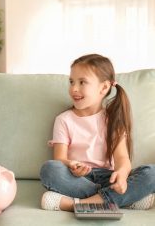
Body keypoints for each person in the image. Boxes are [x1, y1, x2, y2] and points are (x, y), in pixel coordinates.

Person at [40, 54, 155, 211]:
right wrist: (71, 164)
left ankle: (78, 205)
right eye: (71, 82)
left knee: (152, 173)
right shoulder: (63, 120)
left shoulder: (113, 120)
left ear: (104, 87)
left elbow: (122, 158)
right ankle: (123, 200)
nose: (74, 88)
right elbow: (60, 159)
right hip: (79, 178)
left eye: (82, 82)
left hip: (109, 177)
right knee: (49, 169)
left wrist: (121, 173)